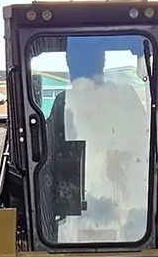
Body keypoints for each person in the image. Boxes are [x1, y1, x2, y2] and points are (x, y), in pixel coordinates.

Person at [59, 36, 150, 241]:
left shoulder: (124, 96)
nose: (78, 63)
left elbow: (143, 140)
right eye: (75, 57)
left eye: (87, 57)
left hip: (124, 201)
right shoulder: (63, 102)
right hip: (74, 202)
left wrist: (121, 155)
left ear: (102, 61)